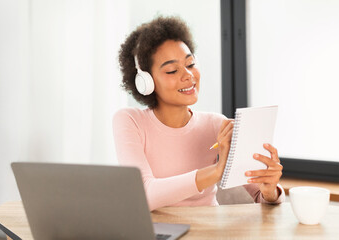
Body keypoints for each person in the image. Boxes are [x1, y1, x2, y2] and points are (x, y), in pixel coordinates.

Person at [113, 16, 284, 211]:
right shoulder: (130, 121)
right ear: (145, 82)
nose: (188, 75)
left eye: (190, 64)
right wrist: (216, 172)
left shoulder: (216, 125)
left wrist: (270, 189)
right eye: (171, 70)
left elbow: (260, 197)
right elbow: (144, 194)